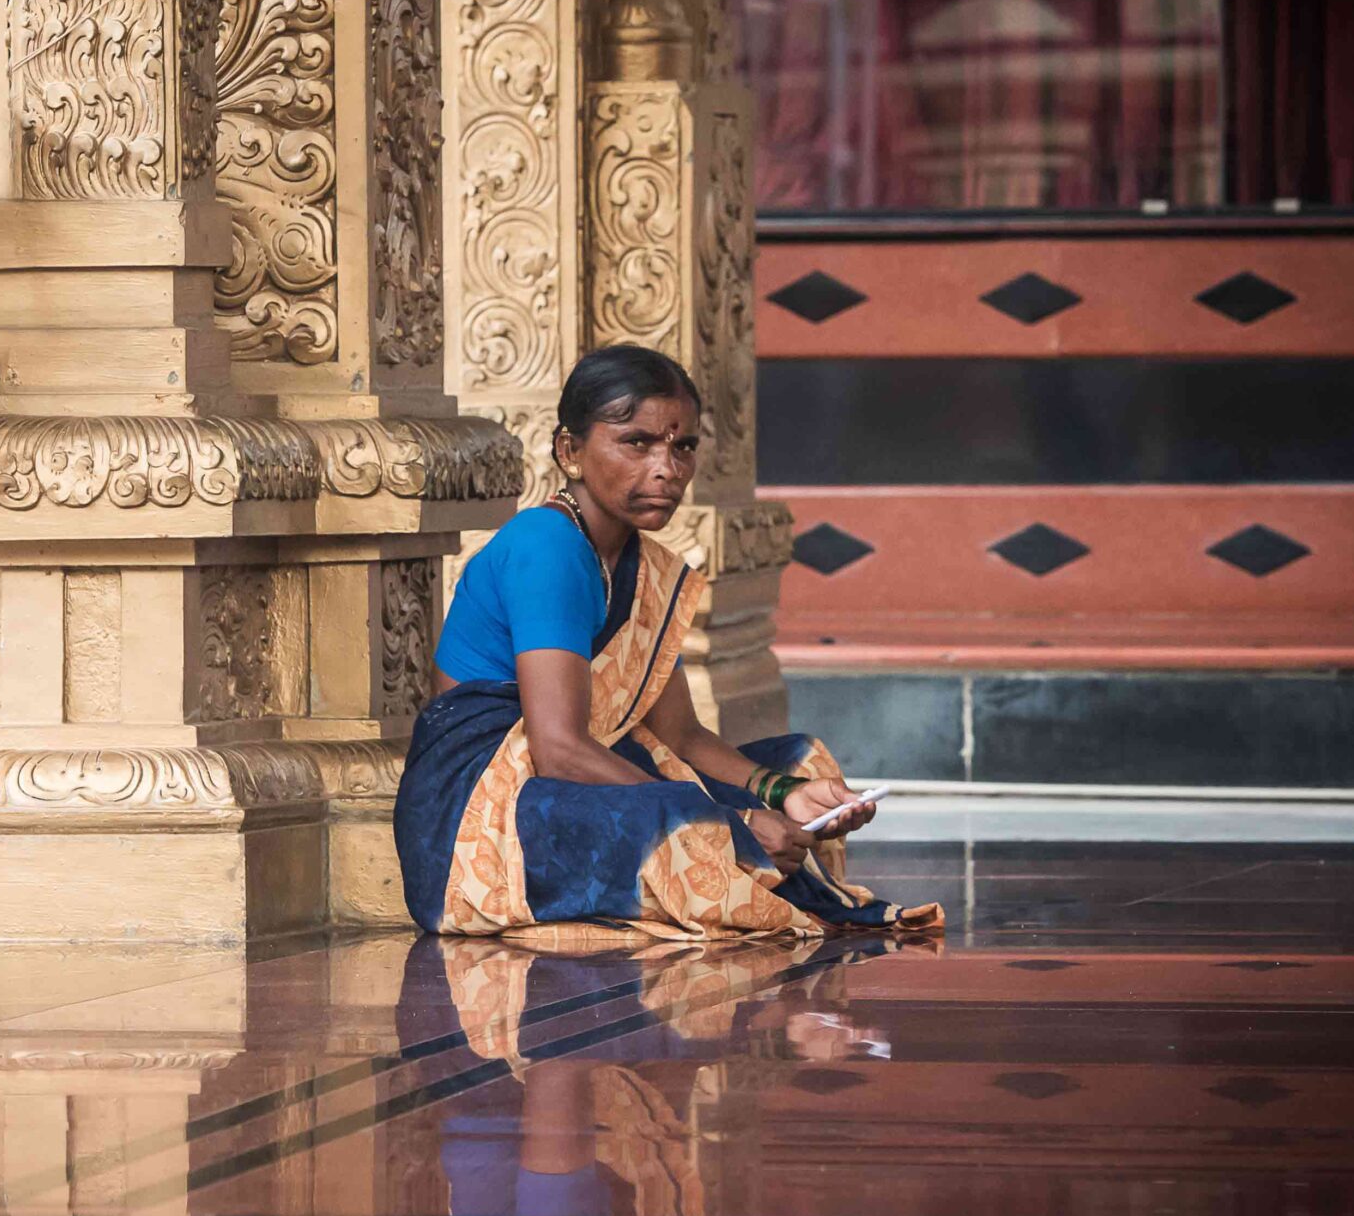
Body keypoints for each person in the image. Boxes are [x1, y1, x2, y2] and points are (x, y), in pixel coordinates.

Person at [392, 345, 942, 942]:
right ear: (569, 451)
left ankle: (745, 859)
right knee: (681, 818)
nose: (667, 468)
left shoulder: (640, 566)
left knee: (801, 762)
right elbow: (557, 750)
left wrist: (782, 794)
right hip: (484, 817)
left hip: (576, 780)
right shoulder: (545, 546)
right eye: (637, 443)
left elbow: (680, 735)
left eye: (682, 447)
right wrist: (732, 822)